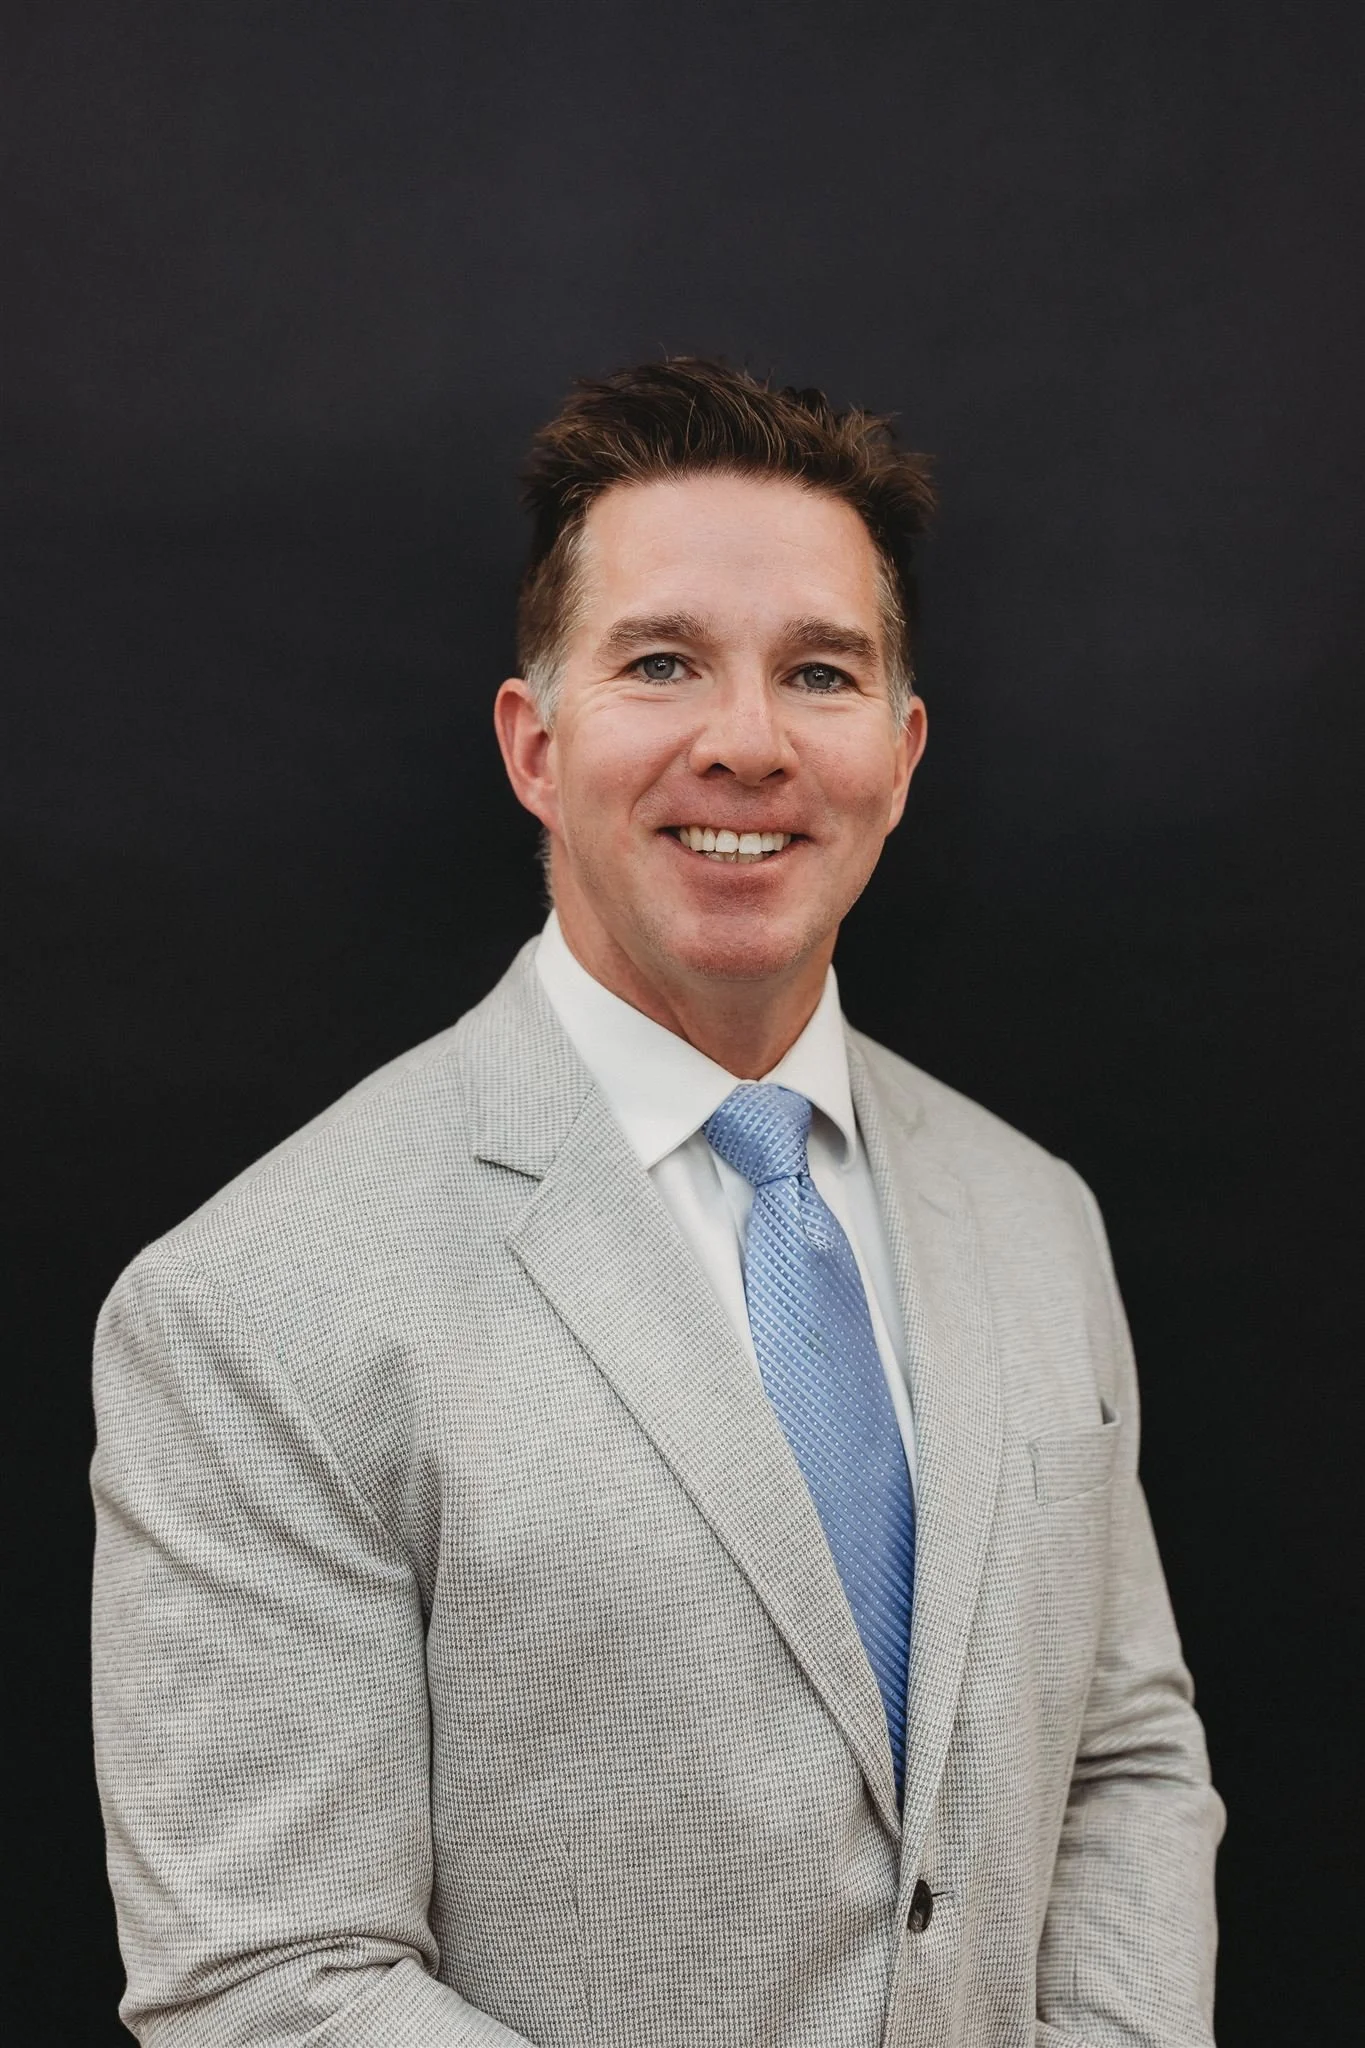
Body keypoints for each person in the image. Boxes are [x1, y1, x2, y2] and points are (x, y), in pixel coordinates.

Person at [91, 358, 1223, 2048]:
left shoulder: (1034, 1215)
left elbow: (1126, 1761)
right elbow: (269, 1981)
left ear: (900, 759)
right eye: (664, 662)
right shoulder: (253, 1304)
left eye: (820, 673)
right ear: (536, 744)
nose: (747, 741)